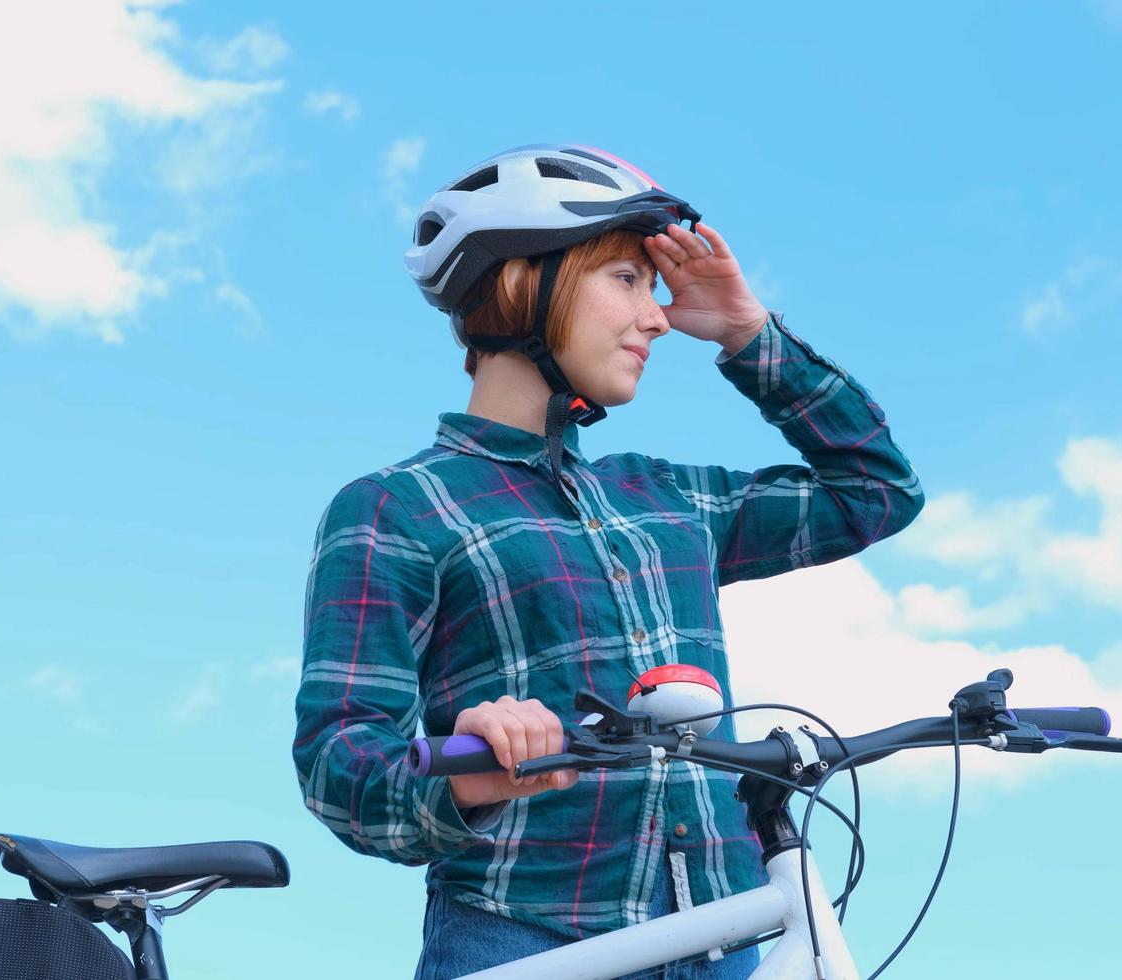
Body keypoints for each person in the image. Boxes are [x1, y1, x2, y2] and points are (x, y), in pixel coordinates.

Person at [293, 144, 923, 978]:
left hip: (723, 932)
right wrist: (471, 766)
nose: (658, 316)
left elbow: (875, 489)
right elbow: (341, 764)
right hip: (524, 935)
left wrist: (747, 332)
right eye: (625, 278)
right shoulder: (396, 508)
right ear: (521, 284)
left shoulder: (668, 499)